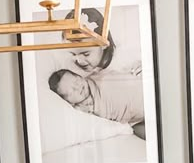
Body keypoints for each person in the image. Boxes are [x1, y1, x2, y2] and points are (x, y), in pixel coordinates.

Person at [48, 7, 146, 139]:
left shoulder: (123, 58)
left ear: (104, 43)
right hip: (128, 119)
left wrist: (145, 67)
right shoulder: (72, 69)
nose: (79, 60)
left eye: (86, 53)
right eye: (72, 53)